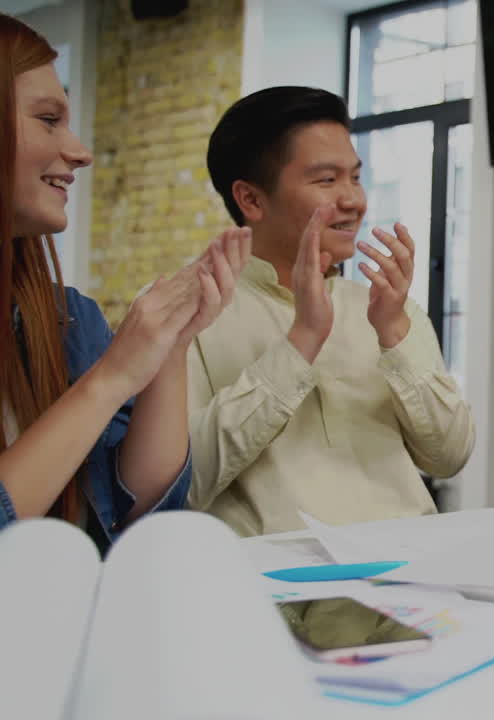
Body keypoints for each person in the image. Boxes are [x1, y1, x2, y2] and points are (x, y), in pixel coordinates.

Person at [0, 15, 248, 548]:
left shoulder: (69, 318)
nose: (81, 151)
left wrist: (170, 348)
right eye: (48, 119)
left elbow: (137, 512)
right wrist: (112, 376)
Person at [187, 86, 475, 537]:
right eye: (326, 180)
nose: (354, 200)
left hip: (411, 583)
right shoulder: (186, 314)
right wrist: (302, 340)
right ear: (251, 200)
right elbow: (182, 483)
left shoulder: (384, 307)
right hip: (283, 596)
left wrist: (395, 335)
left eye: (355, 178)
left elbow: (450, 456)